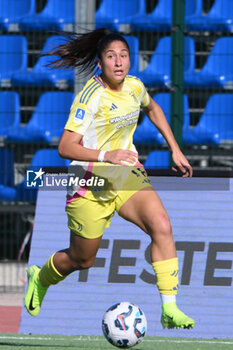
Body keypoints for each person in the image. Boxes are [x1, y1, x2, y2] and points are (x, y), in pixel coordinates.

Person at [25, 28, 195, 330]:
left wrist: (175, 148)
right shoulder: (90, 96)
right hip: (89, 183)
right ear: (100, 63)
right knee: (81, 260)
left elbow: (153, 108)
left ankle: (169, 307)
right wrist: (107, 155)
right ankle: (40, 276)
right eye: (111, 56)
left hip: (125, 176)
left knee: (162, 225)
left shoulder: (134, 87)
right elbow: (65, 147)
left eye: (124, 55)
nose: (119, 62)